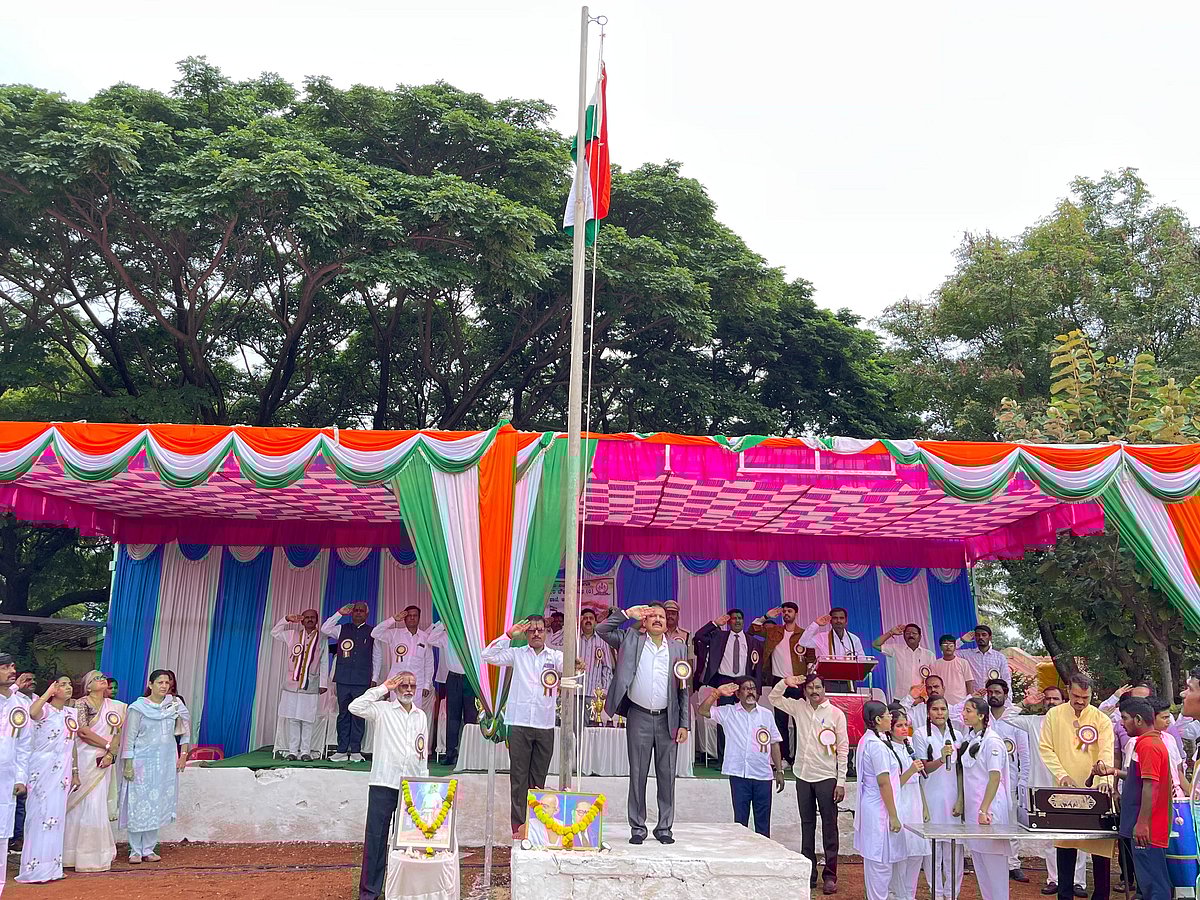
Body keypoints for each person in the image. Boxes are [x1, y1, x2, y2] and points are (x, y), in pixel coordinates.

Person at [596, 603, 691, 845]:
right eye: (653, 616)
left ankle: (664, 828)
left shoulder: (679, 648)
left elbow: (683, 690)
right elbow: (601, 630)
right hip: (638, 715)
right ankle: (637, 827)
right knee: (637, 772)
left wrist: (684, 723)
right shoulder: (630, 639)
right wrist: (627, 615)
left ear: (667, 622)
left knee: (667, 774)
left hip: (667, 718)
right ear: (646, 622)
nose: (658, 619)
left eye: (662, 616)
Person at [481, 615, 565, 838]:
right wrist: (509, 635)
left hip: (544, 724)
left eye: (540, 630)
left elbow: (572, 668)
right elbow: (487, 655)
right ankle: (519, 828)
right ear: (526, 634)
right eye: (532, 631)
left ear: (546, 632)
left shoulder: (556, 656)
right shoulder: (517, 654)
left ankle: (537, 825)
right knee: (518, 779)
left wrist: (577, 663)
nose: (536, 634)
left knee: (539, 779)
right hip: (518, 724)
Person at [348, 670, 429, 900]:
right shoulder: (382, 710)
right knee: (376, 840)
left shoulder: (420, 716)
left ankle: (401, 891)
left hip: (410, 787)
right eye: (403, 685)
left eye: (412, 685)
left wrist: (423, 785)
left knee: (407, 843)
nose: (409, 690)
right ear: (396, 688)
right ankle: (370, 893)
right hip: (384, 783)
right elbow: (355, 707)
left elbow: (421, 752)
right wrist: (384, 688)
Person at [1039, 672, 1115, 900]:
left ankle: (1101, 896)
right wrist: (1062, 775)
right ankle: (1064, 895)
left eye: (1085, 697)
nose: (1080, 701)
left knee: (1100, 849)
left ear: (1092, 695)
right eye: (1076, 696)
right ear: (1068, 692)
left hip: (1096, 792)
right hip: (1065, 792)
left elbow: (1106, 753)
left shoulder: (1101, 719)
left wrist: (1103, 781)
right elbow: (1046, 748)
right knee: (1066, 846)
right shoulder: (1054, 715)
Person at [770, 672, 848, 894]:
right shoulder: (798, 708)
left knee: (829, 827)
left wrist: (841, 781)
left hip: (826, 777)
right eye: (810, 688)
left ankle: (830, 876)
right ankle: (809, 873)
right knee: (807, 826)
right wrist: (786, 682)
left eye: (818, 687)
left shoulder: (836, 714)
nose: (815, 691)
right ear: (804, 691)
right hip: (803, 776)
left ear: (824, 689)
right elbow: (774, 699)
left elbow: (842, 749)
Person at [1008, 685, 1089, 897]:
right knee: (1050, 838)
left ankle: (1078, 882)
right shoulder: (1034, 722)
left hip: (1071, 785)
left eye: (1056, 698)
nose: (1051, 701)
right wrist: (1026, 702)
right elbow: (1005, 716)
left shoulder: (1074, 722)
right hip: (1043, 787)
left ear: (1063, 701)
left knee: (1076, 835)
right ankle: (1054, 879)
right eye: (1048, 699)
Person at [1094, 698, 1172, 900]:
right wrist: (1114, 771)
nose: (1121, 723)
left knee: (1154, 886)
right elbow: (1139, 778)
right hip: (1143, 828)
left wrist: (1143, 823)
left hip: (1148, 832)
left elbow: (1150, 785)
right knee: (1147, 885)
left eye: (1125, 718)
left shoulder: (1149, 745)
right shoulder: (1146, 743)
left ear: (1138, 719)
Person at [699, 678, 784, 838]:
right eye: (745, 688)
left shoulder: (767, 715)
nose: (750, 691)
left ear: (758, 693)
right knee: (740, 824)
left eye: (753, 688)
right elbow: (703, 711)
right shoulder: (728, 712)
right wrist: (716, 694)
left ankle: (763, 858)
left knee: (763, 824)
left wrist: (779, 770)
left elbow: (774, 744)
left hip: (762, 776)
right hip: (739, 775)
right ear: (738, 694)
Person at [120, 669, 189, 863]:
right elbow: (129, 738)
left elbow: (185, 732)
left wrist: (183, 755)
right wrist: (128, 764)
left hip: (165, 762)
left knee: (156, 803)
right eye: (160, 682)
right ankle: (135, 850)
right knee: (139, 802)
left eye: (167, 683)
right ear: (150, 685)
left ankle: (148, 849)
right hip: (142, 762)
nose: (164, 686)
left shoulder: (175, 705)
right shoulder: (138, 708)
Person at [16, 675, 78, 884]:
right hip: (42, 768)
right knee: (39, 815)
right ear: (52, 688)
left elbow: (73, 743)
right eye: (62, 684)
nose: (67, 687)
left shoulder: (71, 713)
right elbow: (32, 714)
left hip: (63, 769)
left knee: (56, 817)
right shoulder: (44, 709)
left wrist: (76, 771)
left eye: (69, 684)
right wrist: (48, 694)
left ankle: (52, 867)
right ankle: (34, 868)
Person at [954, 696, 1012, 900]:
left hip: (989, 811)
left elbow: (995, 777)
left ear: (981, 715)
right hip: (974, 811)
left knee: (994, 867)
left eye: (969, 710)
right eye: (964, 710)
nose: (964, 714)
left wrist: (984, 809)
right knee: (980, 864)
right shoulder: (970, 738)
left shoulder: (992, 741)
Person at [854, 701, 912, 900]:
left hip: (876, 806)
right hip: (880, 809)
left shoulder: (871, 741)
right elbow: (884, 782)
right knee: (880, 866)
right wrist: (894, 816)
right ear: (878, 720)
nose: (891, 717)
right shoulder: (876, 746)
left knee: (883, 866)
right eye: (888, 715)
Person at [64, 670, 120, 872]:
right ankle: (74, 854)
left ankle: (96, 854)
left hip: (104, 760)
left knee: (98, 803)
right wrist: (107, 746)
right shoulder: (82, 703)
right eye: (96, 678)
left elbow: (117, 733)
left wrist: (111, 753)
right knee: (82, 803)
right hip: (86, 758)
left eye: (103, 677)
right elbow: (82, 731)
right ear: (88, 686)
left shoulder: (115, 707)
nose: (102, 679)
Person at [694, 609, 764, 762]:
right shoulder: (719, 636)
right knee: (723, 721)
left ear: (743, 621)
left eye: (740, 618)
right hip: (724, 681)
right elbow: (699, 636)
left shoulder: (752, 641)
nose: (737, 621)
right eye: (733, 618)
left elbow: (757, 667)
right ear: (729, 621)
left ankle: (743, 757)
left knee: (745, 720)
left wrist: (757, 689)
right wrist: (715, 624)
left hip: (743, 682)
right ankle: (723, 758)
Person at [913, 695, 964, 900]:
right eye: (935, 709)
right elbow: (923, 769)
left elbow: (961, 769)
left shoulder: (958, 735)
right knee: (934, 851)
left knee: (954, 850)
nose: (940, 713)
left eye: (943, 709)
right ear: (928, 712)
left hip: (953, 798)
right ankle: (937, 893)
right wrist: (941, 759)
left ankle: (952, 894)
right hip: (932, 796)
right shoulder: (920, 734)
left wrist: (961, 798)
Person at [323, 602, 383, 762]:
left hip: (362, 680)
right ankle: (341, 750)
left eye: (361, 611)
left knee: (358, 715)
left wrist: (375, 678)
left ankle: (356, 750)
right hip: (343, 679)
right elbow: (324, 629)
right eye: (355, 610)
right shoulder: (342, 629)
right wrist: (340, 613)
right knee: (343, 715)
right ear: (352, 613)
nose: (358, 613)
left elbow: (377, 656)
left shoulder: (373, 632)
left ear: (367, 614)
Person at [750, 602, 808, 764]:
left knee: (800, 722)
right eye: (784, 611)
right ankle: (783, 757)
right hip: (779, 681)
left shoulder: (804, 634)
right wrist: (767, 617)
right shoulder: (774, 631)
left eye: (790, 611)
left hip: (798, 681)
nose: (786, 613)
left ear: (796, 613)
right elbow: (752, 629)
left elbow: (810, 658)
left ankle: (800, 757)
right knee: (780, 721)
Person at [985, 678, 1031, 882]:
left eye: (997, 692)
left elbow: (1025, 755)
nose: (993, 695)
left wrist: (1023, 782)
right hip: (984, 781)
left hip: (1009, 780)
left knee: (1011, 823)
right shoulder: (981, 715)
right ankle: (990, 861)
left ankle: (1013, 864)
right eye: (990, 692)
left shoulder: (1016, 718)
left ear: (1005, 693)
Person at [271, 607, 330, 760]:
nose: (310, 619)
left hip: (311, 683)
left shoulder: (322, 638)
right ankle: (292, 751)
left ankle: (305, 752)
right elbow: (274, 632)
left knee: (308, 718)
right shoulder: (292, 635)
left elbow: (324, 661)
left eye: (313, 617)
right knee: (293, 718)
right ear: (302, 620)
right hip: (292, 683)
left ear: (317, 620)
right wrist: (286, 619)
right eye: (307, 617)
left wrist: (323, 682)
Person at [886, 704, 929, 900]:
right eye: (899, 725)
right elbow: (894, 783)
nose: (904, 729)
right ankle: (897, 894)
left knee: (916, 851)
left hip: (915, 800)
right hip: (900, 799)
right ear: (890, 728)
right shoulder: (887, 748)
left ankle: (909, 894)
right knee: (901, 852)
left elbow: (919, 779)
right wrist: (910, 771)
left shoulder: (910, 744)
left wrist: (925, 806)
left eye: (906, 725)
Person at [1, 654, 32, 897]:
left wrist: (21, 777)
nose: (12, 670)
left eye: (13, 665)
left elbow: (24, 745)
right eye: (4, 667)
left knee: (2, 838)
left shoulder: (20, 704)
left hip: (7, 780)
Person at [372, 606, 436, 723]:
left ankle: (411, 742)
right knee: (395, 716)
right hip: (396, 683)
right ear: (404, 618)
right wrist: (393, 619)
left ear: (419, 618)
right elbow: (375, 633)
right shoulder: (395, 634)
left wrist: (427, 684)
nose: (412, 618)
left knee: (414, 717)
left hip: (416, 684)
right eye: (409, 615)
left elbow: (429, 663)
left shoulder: (425, 638)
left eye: (415, 615)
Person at [426, 622, 474, 768]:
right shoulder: (447, 636)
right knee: (452, 717)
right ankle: (450, 754)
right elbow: (430, 639)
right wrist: (443, 623)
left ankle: (469, 755)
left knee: (471, 718)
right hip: (453, 678)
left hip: (471, 679)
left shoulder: (472, 636)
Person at [799, 608, 867, 692]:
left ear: (846, 621)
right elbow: (803, 642)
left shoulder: (854, 639)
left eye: (841, 618)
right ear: (830, 621)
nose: (838, 621)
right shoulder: (822, 637)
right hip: (827, 681)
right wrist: (816, 624)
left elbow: (862, 660)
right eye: (835, 618)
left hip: (849, 683)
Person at [874, 622, 937, 701]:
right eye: (907, 633)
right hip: (901, 697)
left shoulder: (929, 655)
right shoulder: (897, 649)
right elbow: (875, 644)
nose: (911, 635)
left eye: (914, 633)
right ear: (903, 636)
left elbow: (933, 678)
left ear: (920, 637)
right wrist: (891, 632)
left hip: (922, 698)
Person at [10, 670, 34, 852]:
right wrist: (16, 685)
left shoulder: (35, 700)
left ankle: (17, 838)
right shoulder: (11, 697)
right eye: (25, 680)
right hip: (8, 757)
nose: (29, 682)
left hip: (26, 759)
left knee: (20, 802)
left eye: (32, 680)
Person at [577, 607, 614, 708]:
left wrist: (605, 689)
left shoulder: (602, 640)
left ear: (595, 622)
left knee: (592, 723)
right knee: (572, 723)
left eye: (591, 618)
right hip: (573, 692)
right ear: (580, 621)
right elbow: (554, 639)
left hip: (593, 693)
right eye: (585, 618)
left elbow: (607, 667)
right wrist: (574, 625)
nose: (588, 621)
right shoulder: (572, 637)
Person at [958, 624, 1012, 690]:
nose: (980, 637)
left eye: (984, 635)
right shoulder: (967, 654)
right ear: (975, 637)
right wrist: (962, 640)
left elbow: (1006, 680)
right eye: (977, 635)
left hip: (993, 697)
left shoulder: (999, 657)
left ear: (990, 637)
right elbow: (947, 652)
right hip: (974, 698)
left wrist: (1007, 699)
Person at [932, 634, 976, 705]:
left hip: (961, 702)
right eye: (945, 644)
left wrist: (970, 700)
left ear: (955, 647)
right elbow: (934, 684)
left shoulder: (963, 662)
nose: (948, 647)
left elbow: (969, 683)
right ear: (940, 647)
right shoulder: (935, 664)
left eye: (951, 645)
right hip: (942, 702)